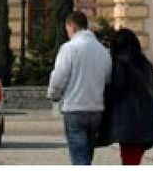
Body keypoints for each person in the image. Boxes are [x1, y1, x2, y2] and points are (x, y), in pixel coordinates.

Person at [47, 9, 112, 166]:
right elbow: (108, 78)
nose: (67, 33)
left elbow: (59, 76)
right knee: (87, 154)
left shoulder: (69, 48)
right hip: (96, 109)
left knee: (79, 157)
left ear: (72, 26)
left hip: (75, 108)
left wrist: (53, 94)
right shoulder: (103, 51)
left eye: (67, 29)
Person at [103, 27, 153, 165]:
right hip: (147, 124)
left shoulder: (120, 63)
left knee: (129, 161)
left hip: (128, 126)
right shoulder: (146, 64)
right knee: (133, 160)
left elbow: (116, 89)